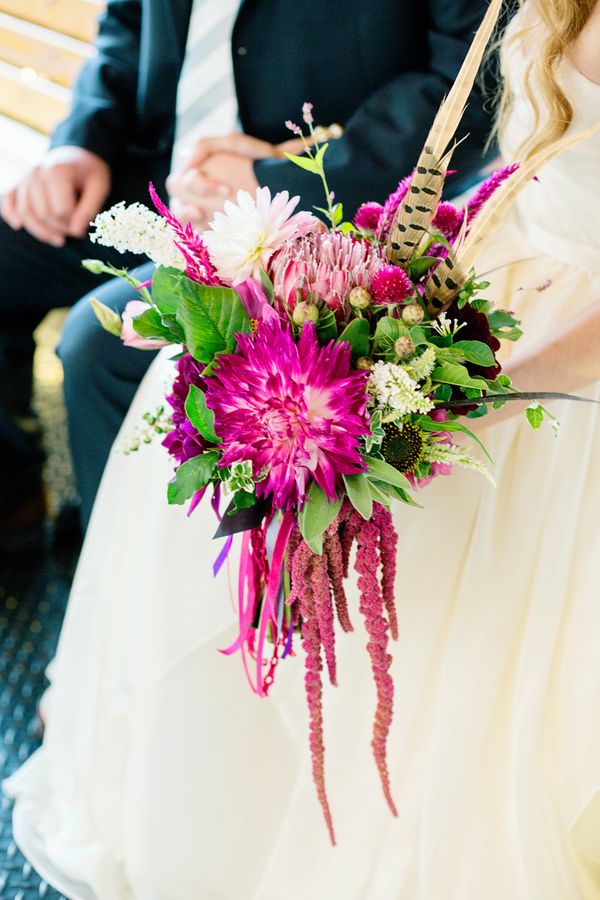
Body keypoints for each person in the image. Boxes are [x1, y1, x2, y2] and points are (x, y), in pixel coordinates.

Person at [7, 0, 600, 897]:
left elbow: (450, 100)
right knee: (191, 375)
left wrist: (484, 386)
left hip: (554, 349)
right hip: (479, 266)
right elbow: (507, 158)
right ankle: (172, 717)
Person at [0, 0, 495, 549]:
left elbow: (472, 75)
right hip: (155, 165)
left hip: (313, 196)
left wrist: (287, 174)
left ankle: (118, 583)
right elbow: (128, 23)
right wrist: (79, 142)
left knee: (102, 345)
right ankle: (15, 499)